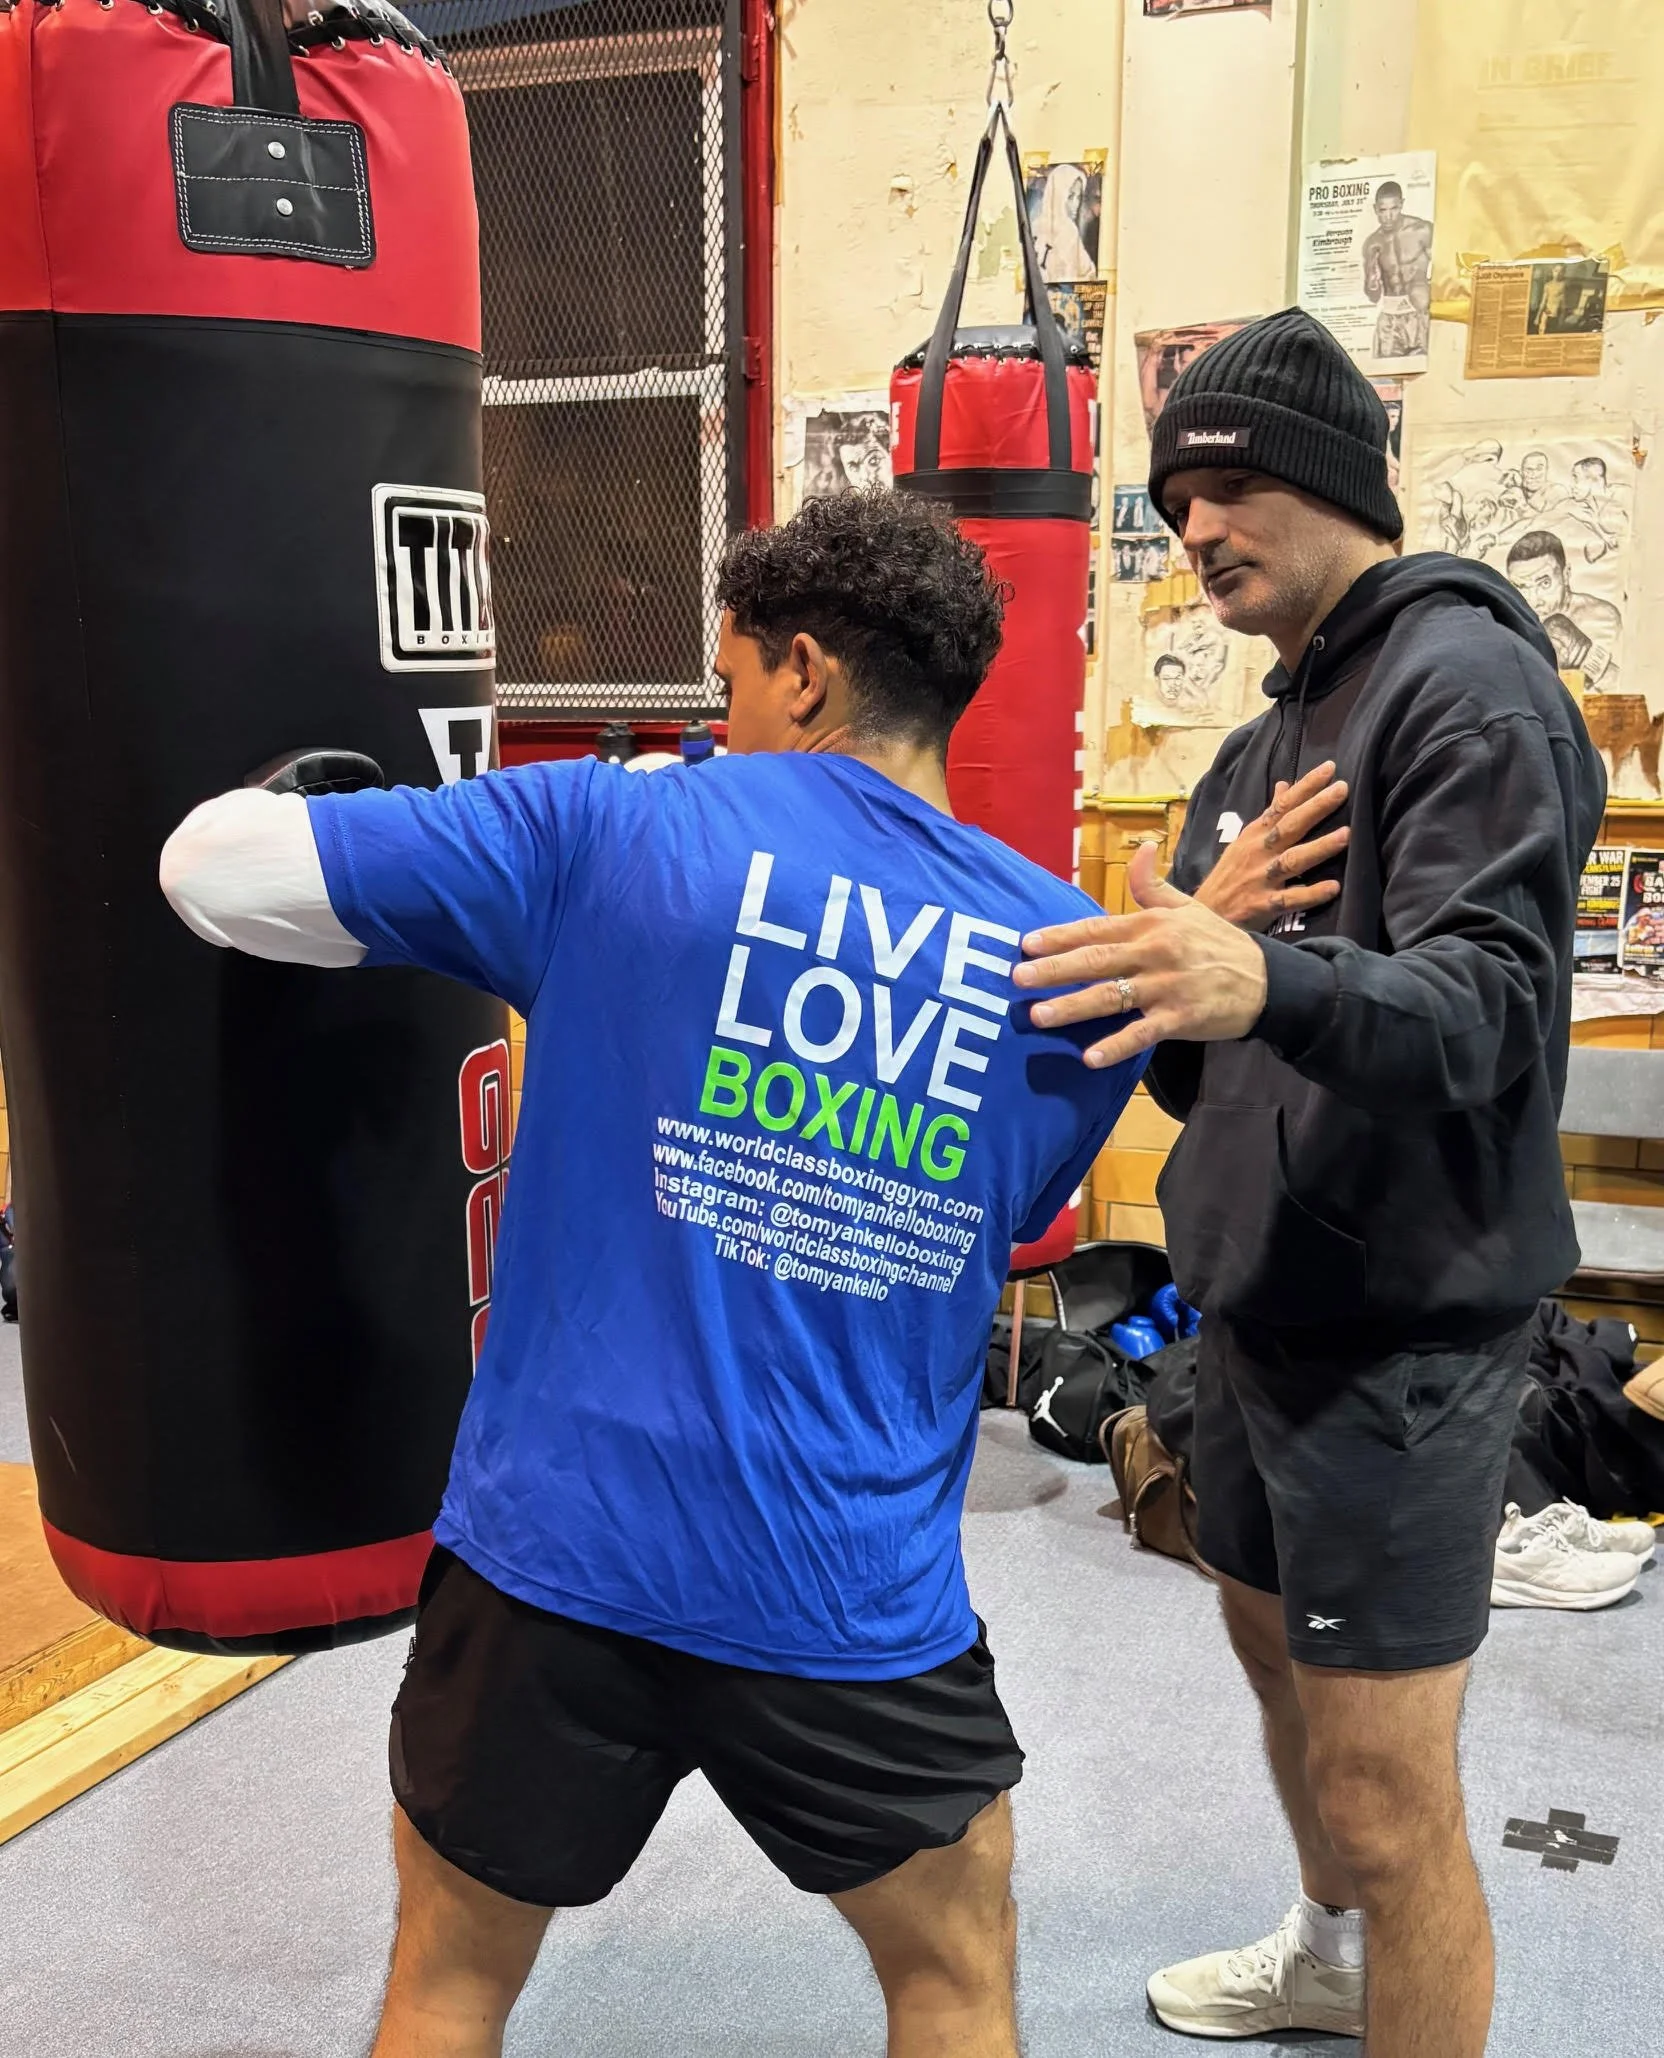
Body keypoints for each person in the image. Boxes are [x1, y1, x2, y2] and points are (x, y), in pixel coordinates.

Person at [158, 491, 1144, 2058]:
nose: (722, 716)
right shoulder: (1073, 955)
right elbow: (1010, 1219)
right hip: (845, 1588)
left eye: (733, 680)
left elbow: (211, 871)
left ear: (803, 670)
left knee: (448, 1978)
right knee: (954, 1974)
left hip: (556, 1556)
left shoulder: (609, 822)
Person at [1014, 308, 1605, 2054]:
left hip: (1397, 1336)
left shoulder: (1461, 687)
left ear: (1338, 480)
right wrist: (1180, 975)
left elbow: (1489, 1005)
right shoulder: (1260, 740)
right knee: (1275, 1663)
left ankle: (1377, 1945)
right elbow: (1193, 1045)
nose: (1192, 526)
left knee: (1384, 1782)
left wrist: (1252, 971)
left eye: (1229, 483)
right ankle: (1327, 1953)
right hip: (1254, 1307)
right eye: (1170, 495)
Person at [1505, 527, 1622, 686]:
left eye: (1544, 583)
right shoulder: (1507, 625)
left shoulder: (1602, 617)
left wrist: (1584, 657)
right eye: (1521, 587)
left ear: (1566, 575)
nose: (1533, 600)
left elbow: (1623, 688)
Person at [1360, 180, 1432, 359]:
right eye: (1383, 210)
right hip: (1390, 318)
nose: (1389, 216)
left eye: (1394, 209)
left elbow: (1445, 271)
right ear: (1375, 209)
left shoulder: (1422, 230)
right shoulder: (1372, 243)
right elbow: (1372, 295)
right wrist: (1372, 281)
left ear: (1402, 204)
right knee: (1386, 379)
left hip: (1419, 314)